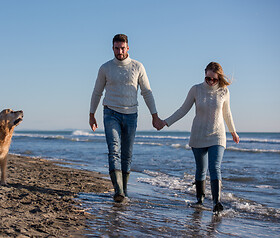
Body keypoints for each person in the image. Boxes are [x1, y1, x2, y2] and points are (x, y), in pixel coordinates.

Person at [89, 34, 165, 203]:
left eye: (123, 48)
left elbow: (147, 92)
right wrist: (91, 114)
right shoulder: (105, 68)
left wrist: (155, 116)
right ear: (112, 48)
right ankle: (118, 191)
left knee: (127, 154)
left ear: (128, 48)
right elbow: (97, 92)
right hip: (110, 113)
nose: (120, 51)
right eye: (117, 48)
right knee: (114, 149)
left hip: (131, 115)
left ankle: (124, 190)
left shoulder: (138, 67)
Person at [163, 62, 240, 213]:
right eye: (208, 78)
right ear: (204, 74)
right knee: (201, 169)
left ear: (219, 79)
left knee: (215, 167)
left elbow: (227, 114)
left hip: (217, 135)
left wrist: (233, 131)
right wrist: (166, 122)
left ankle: (217, 203)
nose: (211, 82)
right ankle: (200, 200)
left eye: (214, 80)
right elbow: (183, 110)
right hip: (198, 135)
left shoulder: (224, 91)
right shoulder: (196, 90)